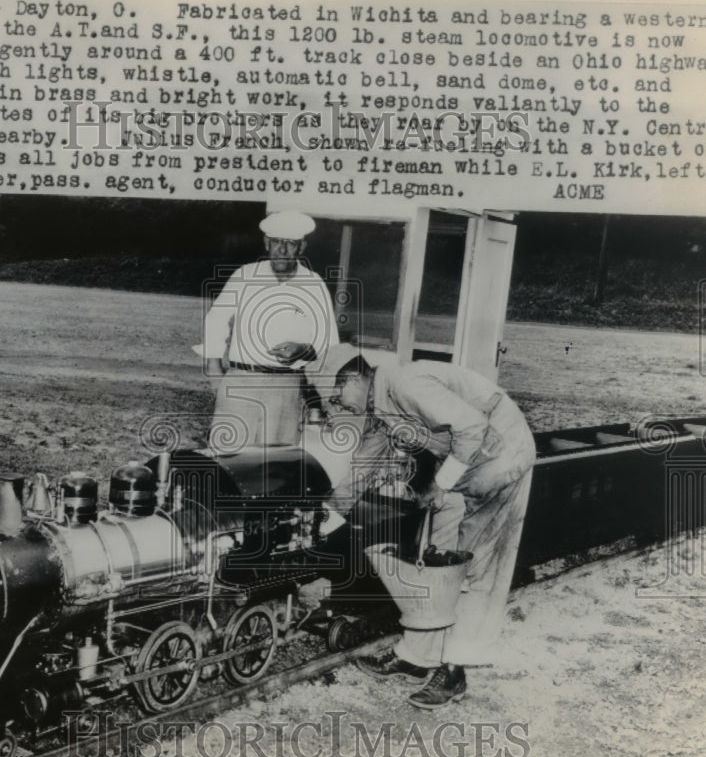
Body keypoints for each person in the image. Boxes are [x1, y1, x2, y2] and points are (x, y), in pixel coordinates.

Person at [331, 354, 536, 708]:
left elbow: (472, 426)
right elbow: (364, 463)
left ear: (354, 380)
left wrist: (440, 484)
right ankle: (417, 656)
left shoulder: (405, 383)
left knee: (471, 566)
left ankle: (455, 672)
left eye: (337, 393)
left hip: (500, 454)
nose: (338, 403)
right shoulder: (381, 406)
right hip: (466, 459)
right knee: (431, 557)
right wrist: (330, 515)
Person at [202, 211, 339, 451]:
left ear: (302, 247)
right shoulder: (244, 276)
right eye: (277, 242)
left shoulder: (313, 284)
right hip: (241, 382)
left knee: (275, 464)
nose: (283, 250)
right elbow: (216, 320)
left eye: (291, 244)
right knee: (228, 458)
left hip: (286, 387)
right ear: (267, 243)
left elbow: (328, 342)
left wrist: (303, 349)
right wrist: (214, 371)